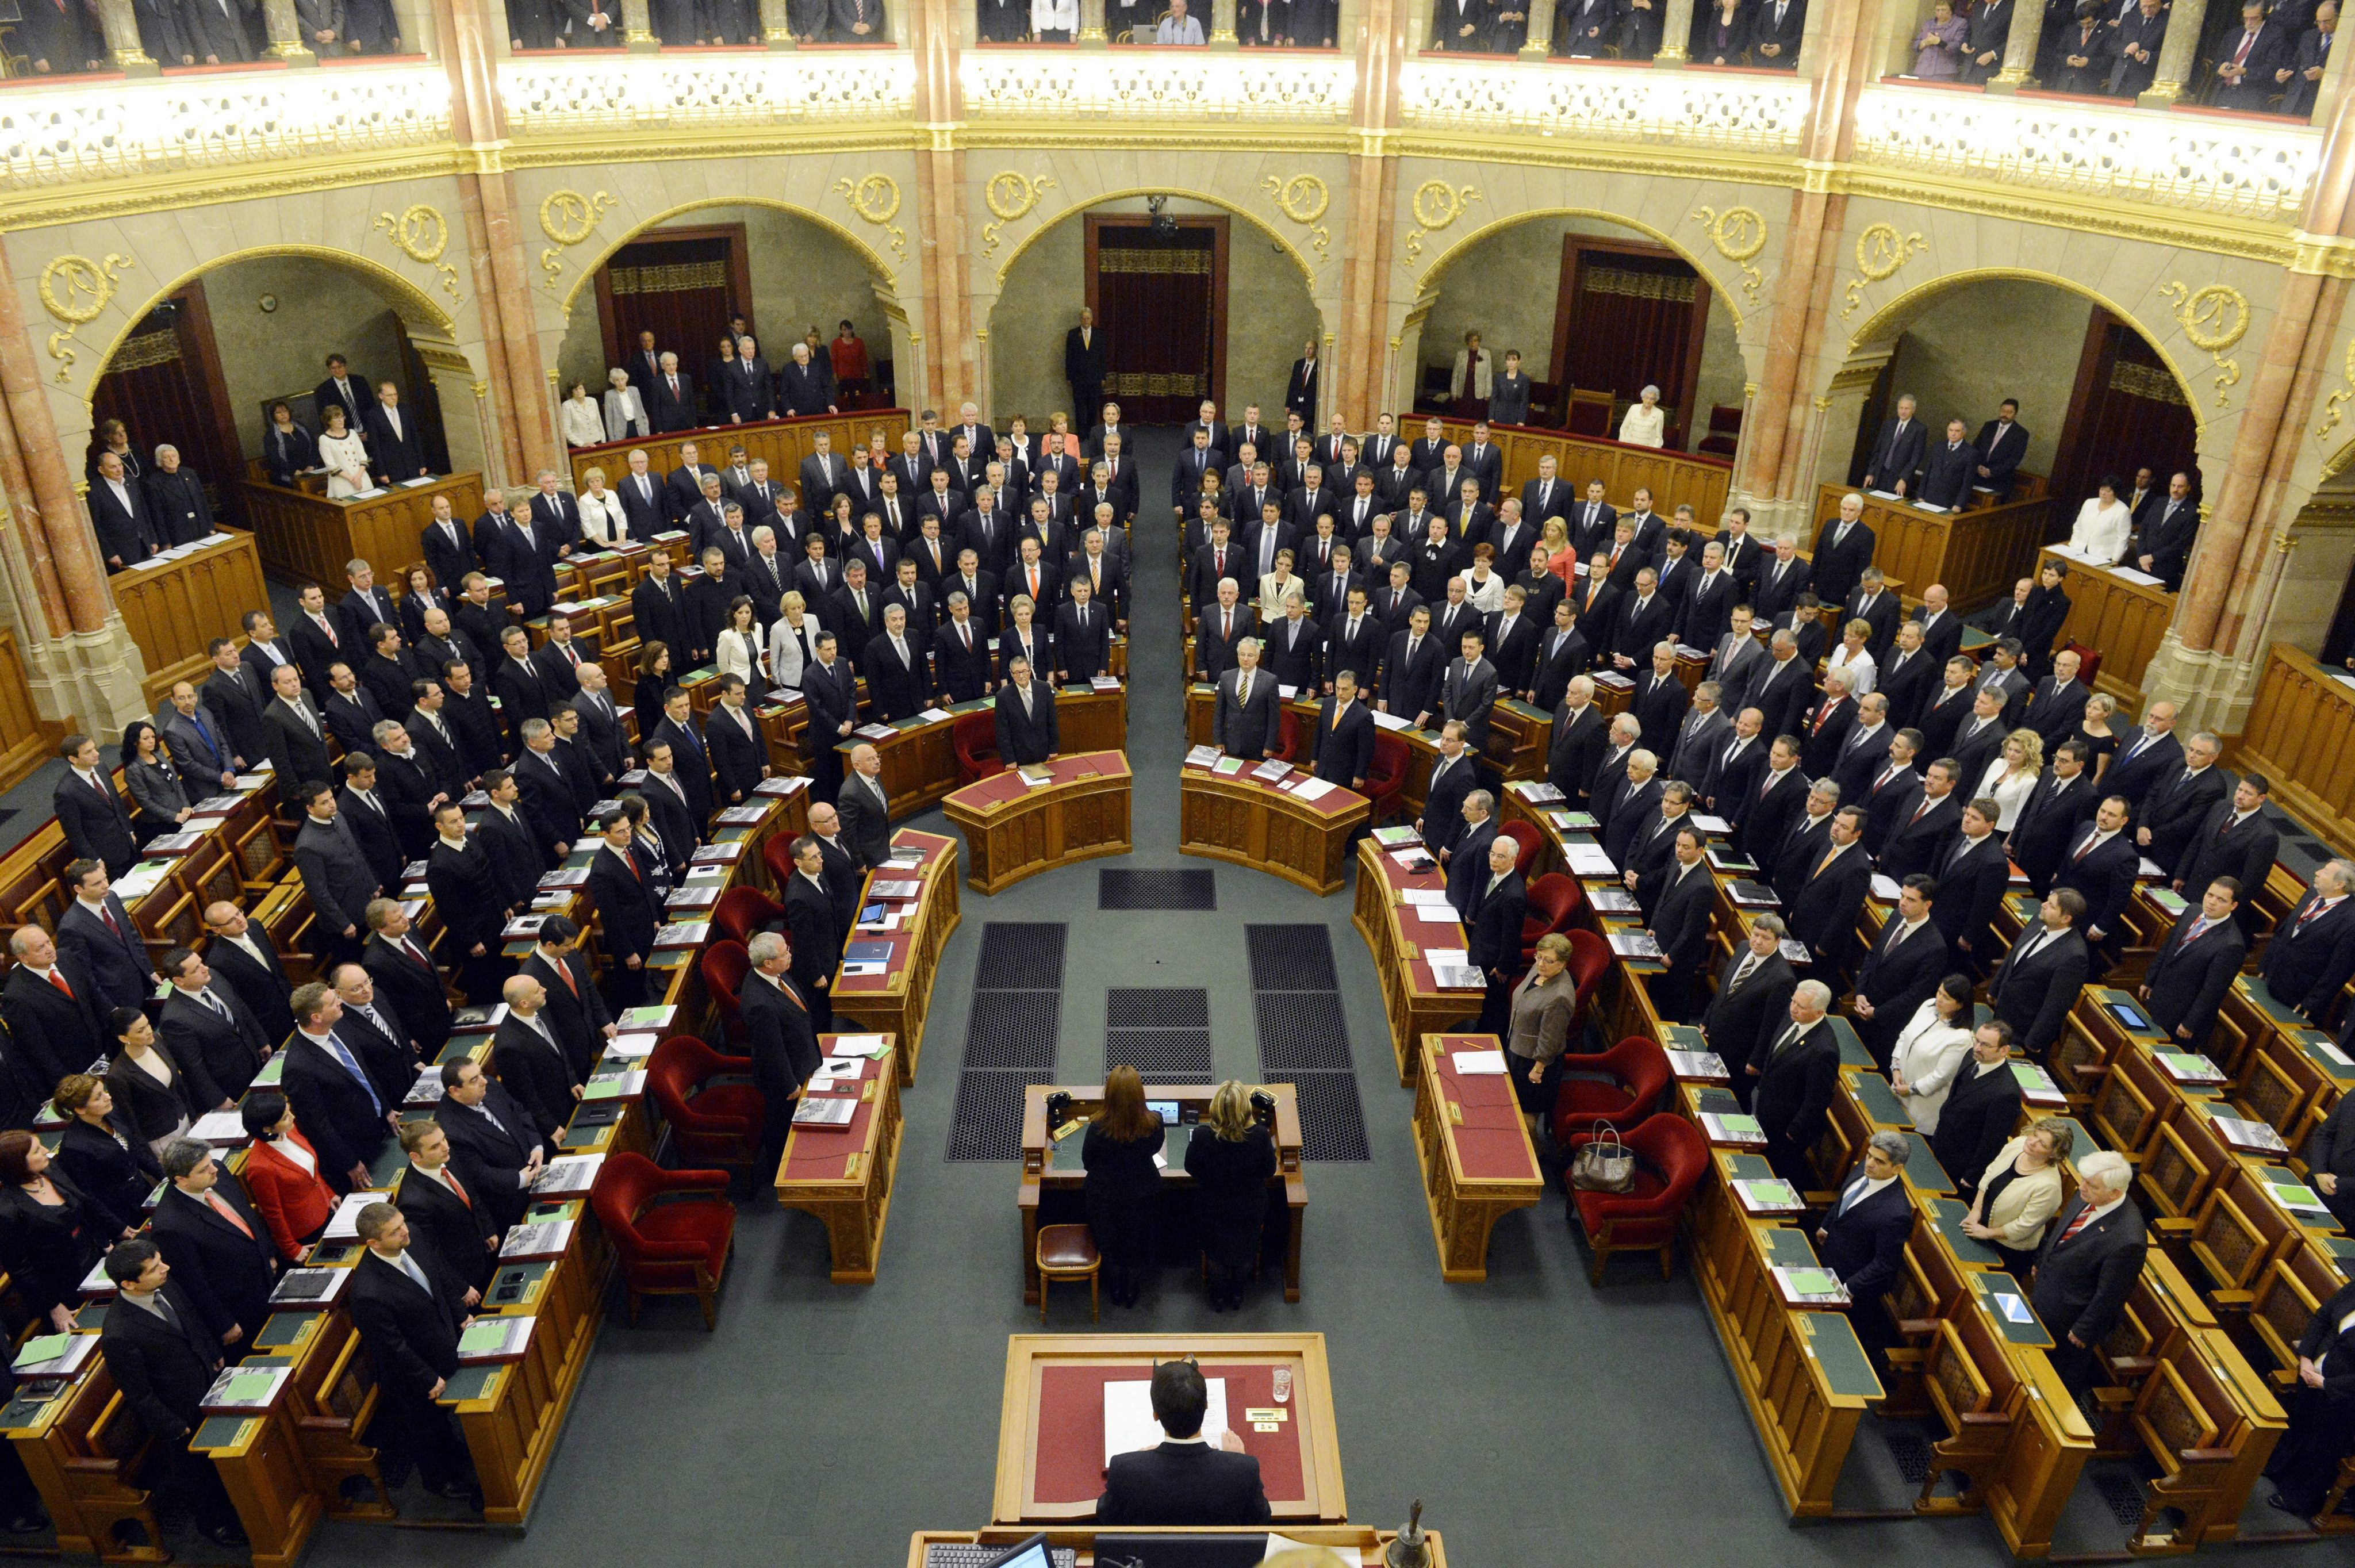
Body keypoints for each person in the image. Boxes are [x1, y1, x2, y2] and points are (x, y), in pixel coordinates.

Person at [97, 1240, 246, 1547]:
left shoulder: (165, 1285)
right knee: (198, 1474)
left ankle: (237, 1504)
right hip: (179, 1413)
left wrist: (212, 1352)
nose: (165, 1268)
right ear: (129, 1284)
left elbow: (191, 1321)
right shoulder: (119, 1333)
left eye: (161, 1261)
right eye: (154, 1268)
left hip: (207, 1384)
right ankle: (214, 1524)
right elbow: (138, 1393)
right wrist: (173, 1426)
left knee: (221, 1461)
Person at [347, 1202, 479, 1503]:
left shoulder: (413, 1237)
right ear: (374, 1243)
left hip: (443, 1345)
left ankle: (455, 1453)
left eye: (403, 1223)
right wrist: (427, 1379)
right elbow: (391, 1347)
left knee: (444, 1424)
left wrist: (460, 1315)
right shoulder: (368, 1292)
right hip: (412, 1375)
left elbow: (438, 1277)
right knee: (427, 1429)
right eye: (395, 1232)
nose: (405, 1231)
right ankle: (438, 1481)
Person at [1094, 1358, 1271, 1525]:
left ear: (1156, 1415)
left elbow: (1106, 1516)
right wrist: (1235, 1460)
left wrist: (1138, 1462)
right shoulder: (1244, 1469)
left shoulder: (1125, 1469)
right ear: (1206, 1406)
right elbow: (1260, 1518)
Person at [2030, 1149, 2147, 1393]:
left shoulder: (2128, 1239)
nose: (2082, 1186)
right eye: (2084, 1180)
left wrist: (2085, 1330)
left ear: (2115, 1192)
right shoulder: (2087, 1193)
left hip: (2070, 1320)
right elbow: (2062, 1231)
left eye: (2091, 1185)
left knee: (2056, 1381)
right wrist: (2041, 1261)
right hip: (2046, 1294)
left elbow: (2112, 1294)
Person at [1184, 1082, 1276, 1313]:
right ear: (1245, 1109)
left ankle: (1217, 1296)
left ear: (1215, 1109)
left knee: (1215, 1252)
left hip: (1212, 1210)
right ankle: (1237, 1294)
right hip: (1249, 1210)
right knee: (1246, 1250)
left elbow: (1191, 1168)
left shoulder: (1202, 1136)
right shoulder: (1260, 1136)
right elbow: (1269, 1170)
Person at [0, 1130, 101, 1335]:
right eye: (37, 1151)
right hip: (62, 1286)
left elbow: (84, 1205)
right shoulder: (7, 1211)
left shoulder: (50, 1170)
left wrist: (105, 1243)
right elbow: (21, 1269)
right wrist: (53, 1305)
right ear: (18, 1164)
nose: (46, 1151)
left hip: (93, 1256)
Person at [1083, 1065, 1165, 1309]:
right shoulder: (1154, 1124)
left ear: (1109, 1094)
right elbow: (1154, 1149)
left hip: (1104, 1198)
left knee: (1110, 1243)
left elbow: (1088, 1162)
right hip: (1143, 1195)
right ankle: (1132, 1290)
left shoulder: (1097, 1128)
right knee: (1135, 1242)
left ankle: (1116, 1289)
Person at [1815, 1131, 1915, 1316]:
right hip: (1827, 1258)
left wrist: (1849, 1288)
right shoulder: (1865, 1167)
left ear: (1897, 1169)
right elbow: (1843, 1198)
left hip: (1851, 1285)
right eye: (1869, 1155)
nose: (1870, 1163)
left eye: (1880, 1161)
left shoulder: (1896, 1214)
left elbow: (1885, 1263)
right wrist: (1826, 1225)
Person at [1961, 1118, 2072, 1278]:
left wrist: (1987, 1233)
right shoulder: (2018, 1145)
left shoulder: (2049, 1187)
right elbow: (1990, 1173)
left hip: (2007, 1249)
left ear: (2054, 1154)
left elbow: (2023, 1227)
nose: (2032, 1142)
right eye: (2035, 1134)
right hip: (1979, 1224)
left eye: (2042, 1144)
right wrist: (1976, 1210)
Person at [237, 1093, 337, 1262]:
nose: (293, 1117)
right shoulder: (260, 1167)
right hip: (306, 1232)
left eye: (289, 1111)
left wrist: (328, 1194)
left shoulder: (289, 1131)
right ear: (267, 1129)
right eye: (285, 1117)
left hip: (325, 1209)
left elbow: (310, 1169)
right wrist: (291, 1249)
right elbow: (273, 1213)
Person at [1503, 933, 1579, 1141]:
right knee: (1513, 1104)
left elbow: (1550, 1039)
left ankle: (1535, 1154)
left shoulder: (1560, 997)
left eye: (1548, 960)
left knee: (1526, 1115)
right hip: (1519, 1048)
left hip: (1534, 1063)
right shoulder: (1539, 970)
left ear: (1562, 964)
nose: (1541, 963)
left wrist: (1538, 1070)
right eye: (1539, 957)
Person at [1887, 974, 1975, 1132]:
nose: (1939, 999)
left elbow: (1940, 1077)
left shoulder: (1962, 1038)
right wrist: (1896, 1068)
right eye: (1939, 992)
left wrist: (1909, 1089)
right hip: (1899, 1088)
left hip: (1922, 1107)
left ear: (1960, 1005)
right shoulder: (1928, 1006)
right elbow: (1906, 1035)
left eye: (1946, 998)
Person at [2065, 478, 2131, 565]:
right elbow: (2078, 526)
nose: (2103, 493)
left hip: (2102, 556)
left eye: (2108, 491)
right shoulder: (2089, 503)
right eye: (2102, 489)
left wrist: (2115, 560)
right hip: (2077, 550)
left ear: (2116, 493)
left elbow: (2123, 538)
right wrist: (2073, 543)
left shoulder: (2123, 511)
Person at [1911, 0, 1966, 72]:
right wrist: (1925, 42)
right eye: (1938, 10)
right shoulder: (1928, 24)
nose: (1940, 13)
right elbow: (1915, 45)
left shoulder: (1960, 24)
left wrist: (1939, 42)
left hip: (1945, 70)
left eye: (1944, 10)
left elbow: (1957, 47)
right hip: (1923, 69)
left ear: (1951, 11)